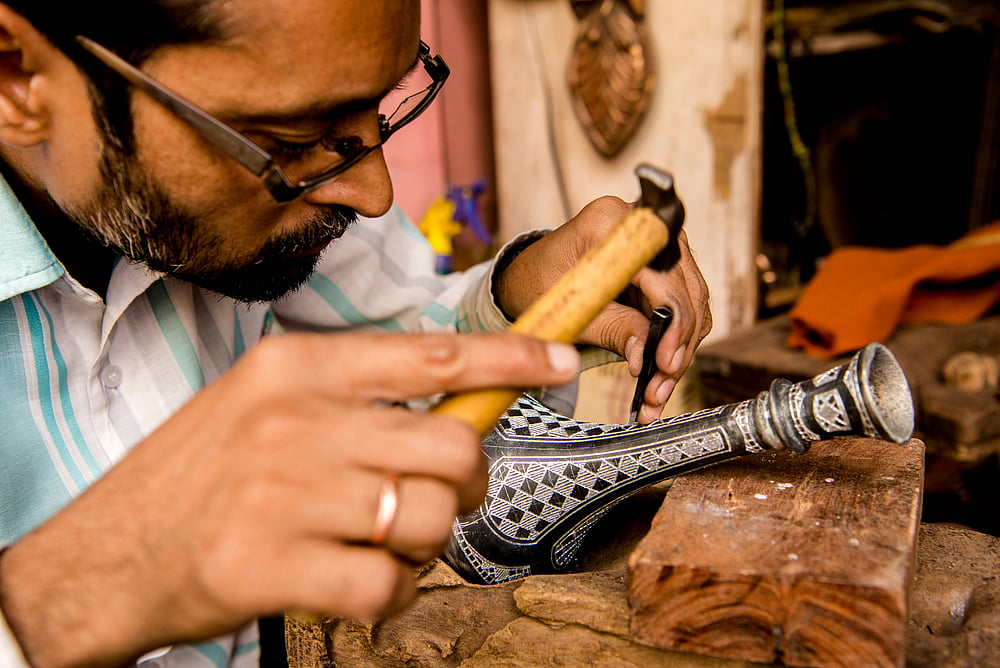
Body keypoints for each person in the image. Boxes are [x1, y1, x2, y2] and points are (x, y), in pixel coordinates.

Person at [0, 1, 712, 666]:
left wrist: (521, 294)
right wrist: (44, 606)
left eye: (377, 110)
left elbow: (411, 341)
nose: (375, 196)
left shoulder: (302, 189)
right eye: (292, 142)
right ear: (17, 75)